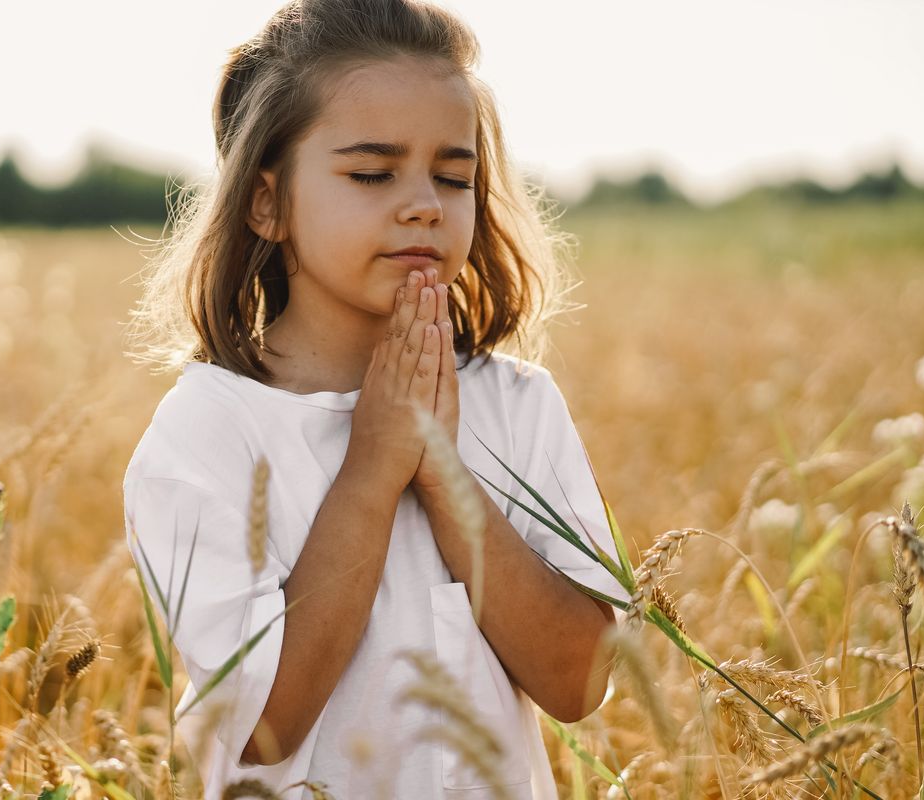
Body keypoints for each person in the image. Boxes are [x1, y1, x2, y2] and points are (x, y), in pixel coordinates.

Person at [121, 0, 628, 797]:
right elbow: (263, 728)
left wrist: (446, 476)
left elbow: (581, 683)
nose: (424, 202)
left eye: (454, 176)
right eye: (371, 173)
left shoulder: (519, 404)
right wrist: (373, 469)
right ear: (267, 202)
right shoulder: (207, 431)